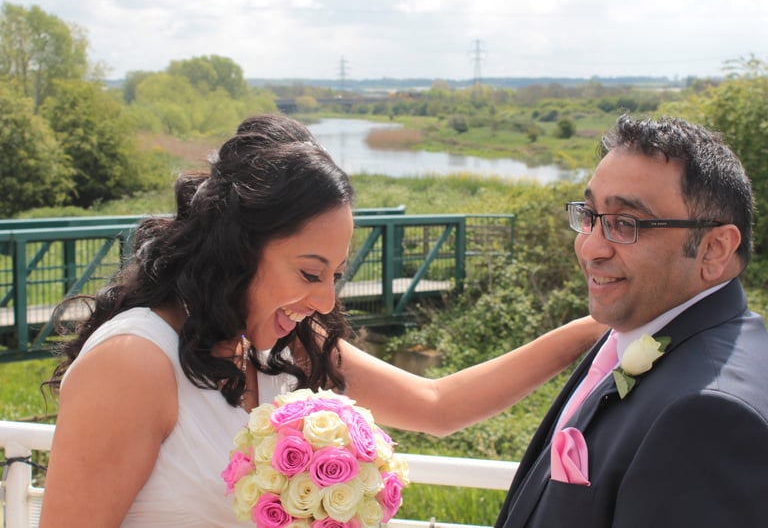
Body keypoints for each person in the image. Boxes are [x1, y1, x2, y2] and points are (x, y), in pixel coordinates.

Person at [40, 113, 602, 528]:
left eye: (336, 273)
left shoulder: (283, 343)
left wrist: (593, 330)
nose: (328, 301)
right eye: (310, 273)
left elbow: (438, 408)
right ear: (238, 249)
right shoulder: (133, 363)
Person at [495, 114, 768, 528]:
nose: (590, 247)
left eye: (627, 223)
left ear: (714, 249)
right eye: (589, 215)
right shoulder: (637, 329)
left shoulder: (709, 415)